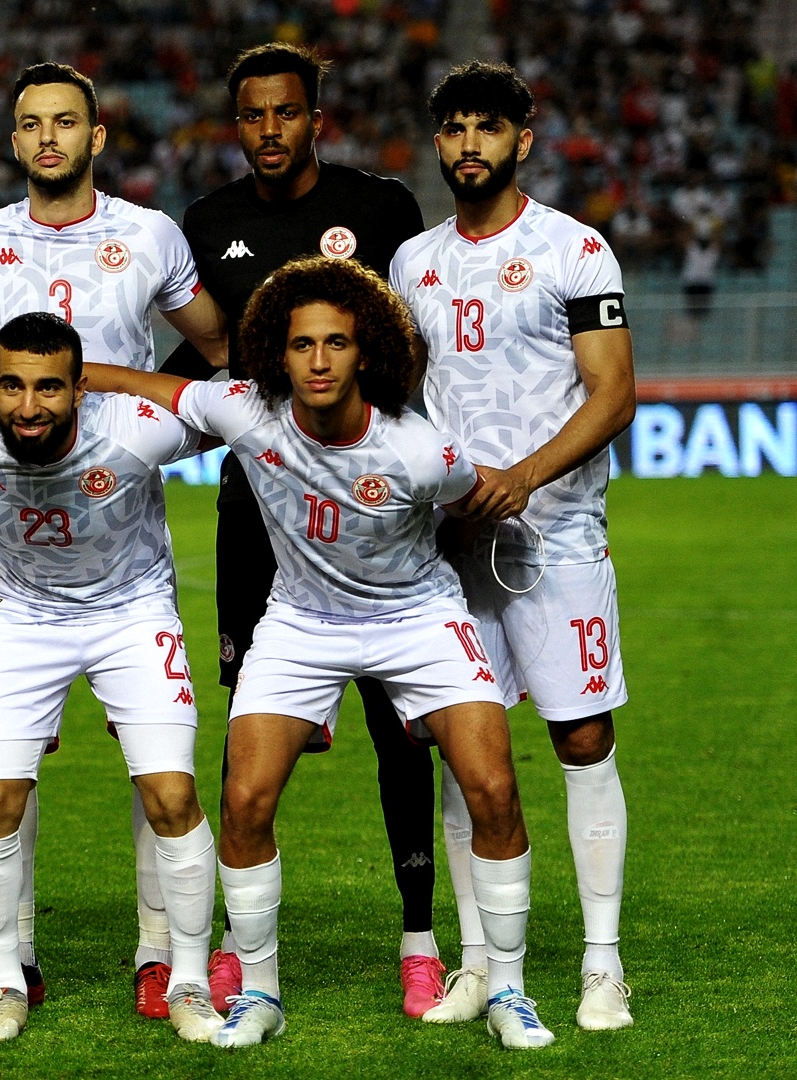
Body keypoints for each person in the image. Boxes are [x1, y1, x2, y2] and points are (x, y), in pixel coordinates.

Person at [37, 255, 551, 1049]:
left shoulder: (419, 450)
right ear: (278, 351)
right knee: (244, 801)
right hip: (302, 623)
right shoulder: (247, 412)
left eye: (336, 343)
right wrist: (55, 377)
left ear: (365, 352)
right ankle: (260, 992)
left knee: (492, 787)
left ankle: (509, 991)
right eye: (302, 344)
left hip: (418, 618)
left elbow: (470, 503)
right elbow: (146, 386)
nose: (318, 360)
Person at [0, 60, 229, 1015]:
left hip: (123, 526)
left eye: (66, 123)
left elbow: (216, 351)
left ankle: (158, 954)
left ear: (96, 138)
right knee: (9, 767)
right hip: (14, 546)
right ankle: (18, 961)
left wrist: (122, 394)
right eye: (30, 125)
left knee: (155, 765)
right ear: (15, 144)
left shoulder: (148, 236)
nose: (48, 138)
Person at [158, 42, 442, 1017]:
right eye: (251, 115)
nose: (268, 130)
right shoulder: (211, 223)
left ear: (316, 116)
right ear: (235, 123)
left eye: (286, 112)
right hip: (259, 519)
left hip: (381, 523)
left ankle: (419, 938)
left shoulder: (383, 210)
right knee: (254, 743)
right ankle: (244, 948)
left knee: (403, 734)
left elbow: (416, 343)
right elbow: (196, 356)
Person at [0, 313, 221, 1044]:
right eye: (10, 385)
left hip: (132, 613)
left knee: (171, 793)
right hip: (20, 619)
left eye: (48, 388)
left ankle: (188, 980)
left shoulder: (135, 430)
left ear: (81, 389)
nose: (28, 406)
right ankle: (4, 982)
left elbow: (222, 413)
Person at [392, 61, 637, 1032]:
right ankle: (481, 963)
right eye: (451, 128)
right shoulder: (412, 263)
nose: (467, 145)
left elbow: (613, 391)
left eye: (486, 128)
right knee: (466, 753)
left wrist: (524, 479)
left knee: (581, 737)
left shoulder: (576, 249)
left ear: (522, 140)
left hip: (558, 534)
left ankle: (602, 965)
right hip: (450, 550)